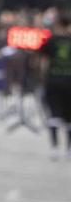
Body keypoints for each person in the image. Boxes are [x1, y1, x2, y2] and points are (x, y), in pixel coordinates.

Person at [45, 8, 71, 159]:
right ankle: (69, 149)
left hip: (53, 80)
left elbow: (42, 61)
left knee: (54, 115)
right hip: (69, 82)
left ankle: (54, 147)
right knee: (69, 118)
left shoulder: (51, 40)